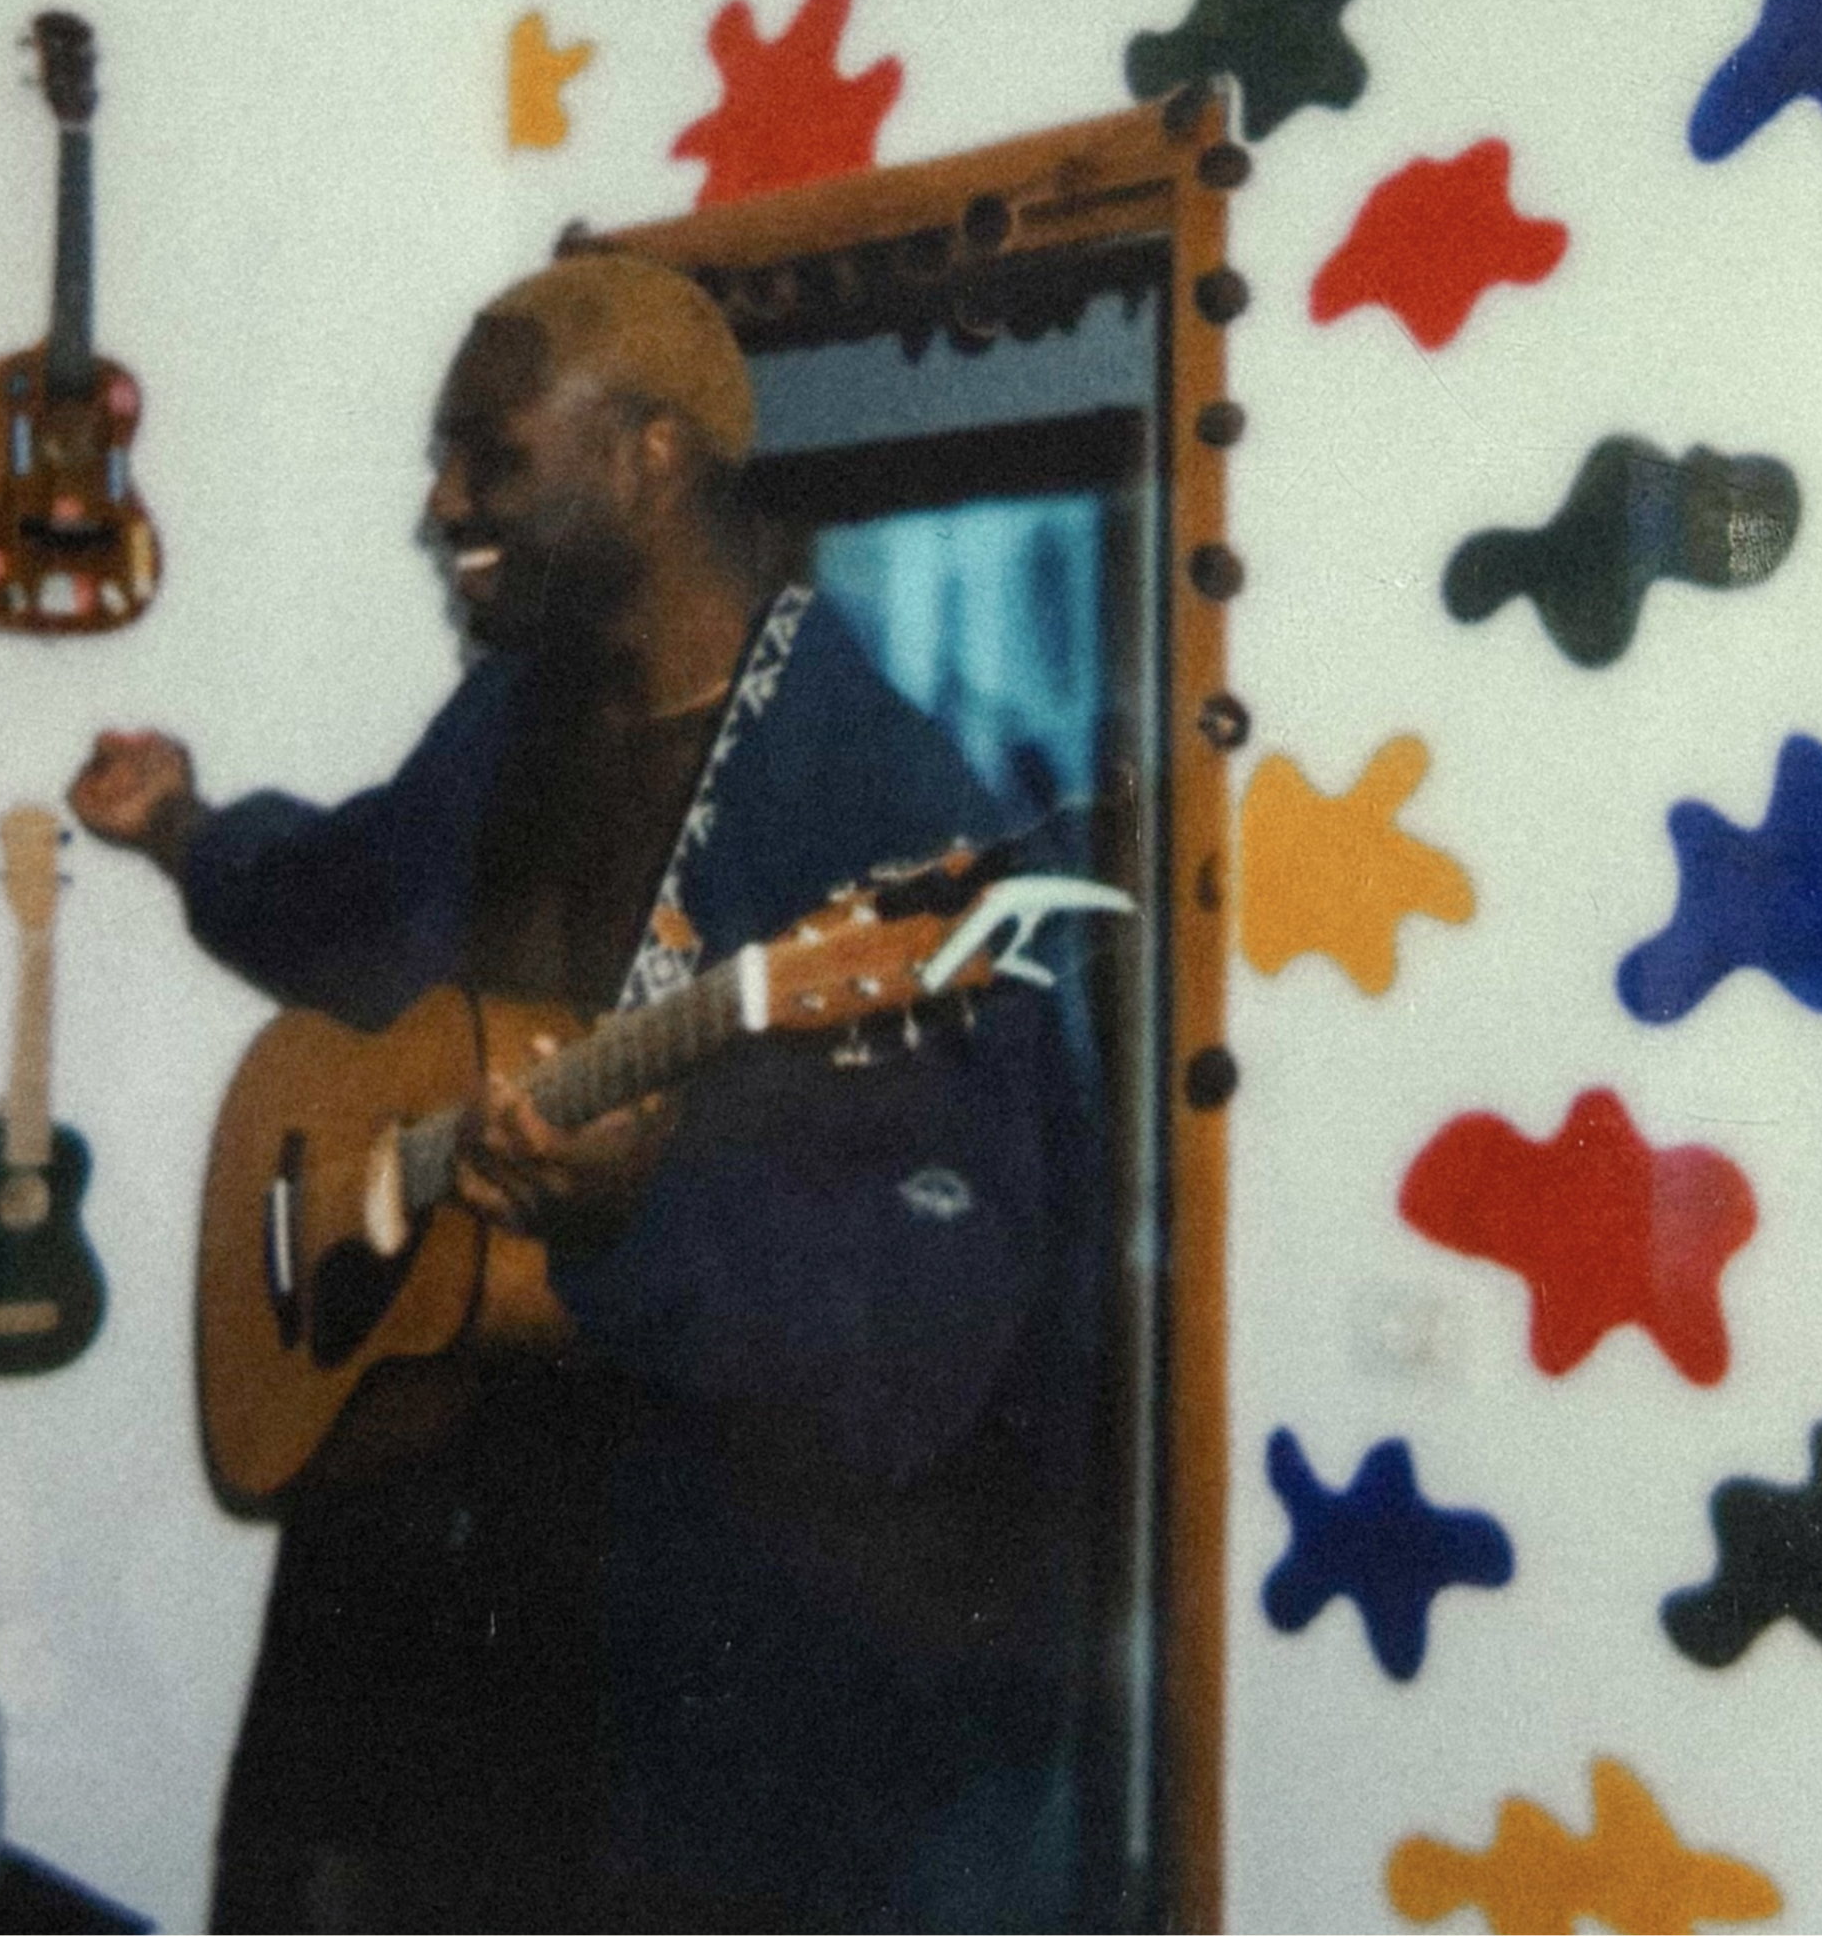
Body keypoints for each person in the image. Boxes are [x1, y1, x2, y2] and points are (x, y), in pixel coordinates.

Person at [70, 252, 1100, 1934]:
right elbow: (352, 907)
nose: (441, 503)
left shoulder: (885, 814)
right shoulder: (515, 720)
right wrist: (187, 827)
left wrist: (646, 1219)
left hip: (685, 1697)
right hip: (407, 1600)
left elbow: (934, 1322)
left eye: (491, 455)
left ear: (651, 455)